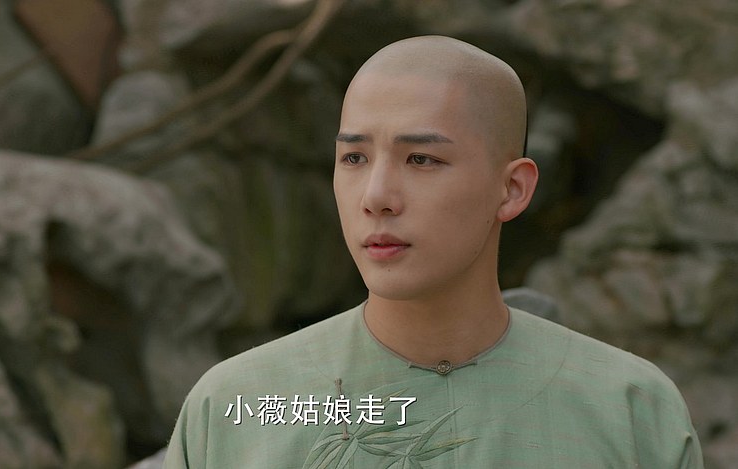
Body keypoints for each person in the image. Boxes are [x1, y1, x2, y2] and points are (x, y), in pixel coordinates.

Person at [162, 35, 703, 468]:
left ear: (512, 189)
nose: (376, 196)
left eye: (421, 159)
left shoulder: (630, 408)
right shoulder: (236, 406)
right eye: (354, 159)